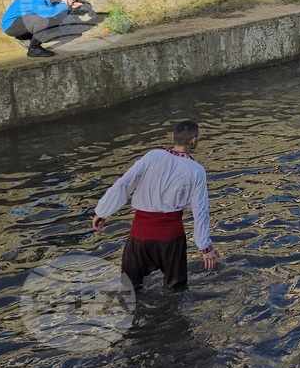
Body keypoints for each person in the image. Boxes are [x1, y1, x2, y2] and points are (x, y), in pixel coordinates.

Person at [91, 120, 218, 290]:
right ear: (194, 141)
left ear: (174, 137)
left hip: (140, 235)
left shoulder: (153, 156)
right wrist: (205, 247)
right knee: (176, 290)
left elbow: (124, 183)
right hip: (171, 238)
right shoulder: (196, 170)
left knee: (130, 287)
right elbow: (200, 211)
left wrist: (103, 211)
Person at [0, 0, 84, 57]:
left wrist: (69, 6)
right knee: (44, 19)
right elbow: (47, 13)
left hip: (20, 23)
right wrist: (63, 5)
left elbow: (53, 10)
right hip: (11, 26)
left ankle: (24, 36)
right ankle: (34, 49)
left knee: (54, 21)